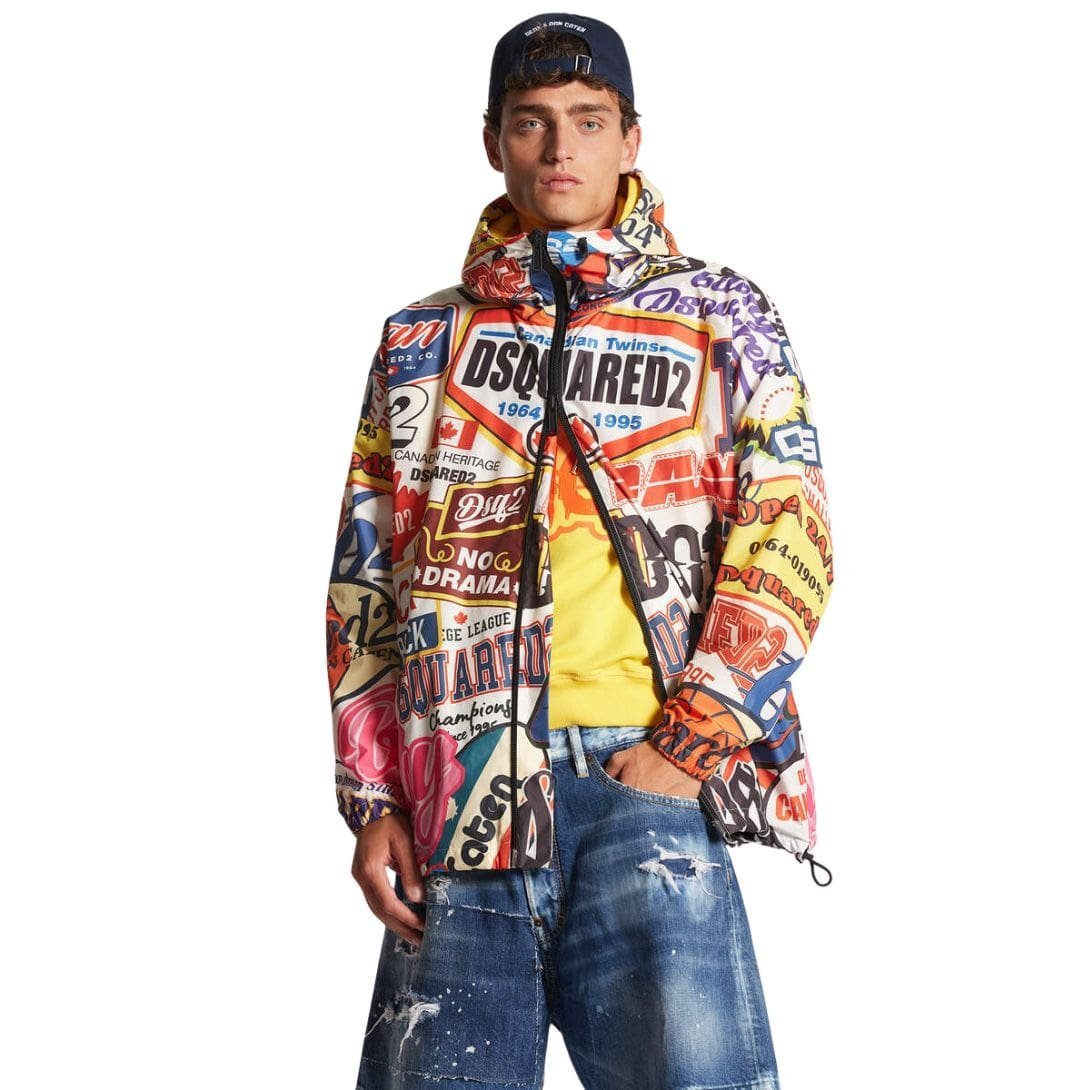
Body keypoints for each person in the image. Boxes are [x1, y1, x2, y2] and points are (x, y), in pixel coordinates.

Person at [325, 13, 835, 1089]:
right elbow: (365, 581)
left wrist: (683, 750)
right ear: (492, 141)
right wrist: (375, 801)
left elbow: (789, 533)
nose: (561, 148)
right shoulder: (420, 342)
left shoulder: (718, 316)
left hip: (645, 775)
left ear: (631, 138)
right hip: (458, 790)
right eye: (532, 122)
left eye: (589, 121)